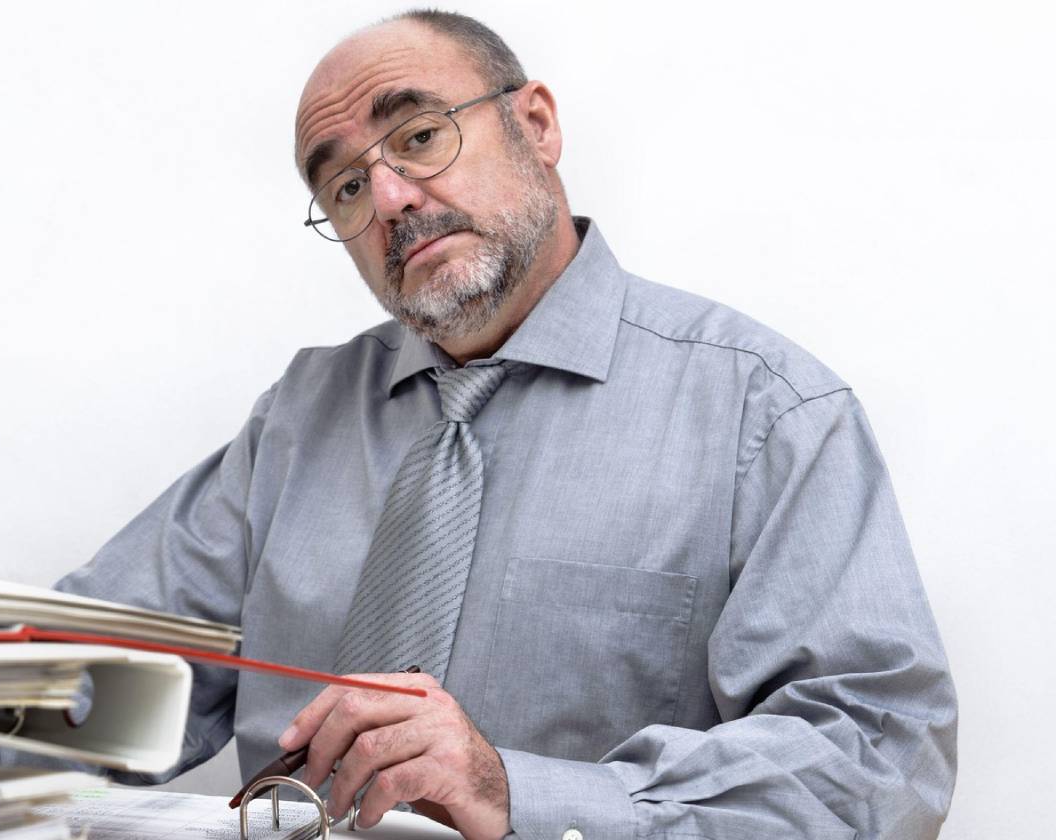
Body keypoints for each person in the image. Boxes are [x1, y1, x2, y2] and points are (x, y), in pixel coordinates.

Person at [52, 10, 957, 839]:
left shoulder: (766, 411)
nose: (391, 198)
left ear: (537, 125)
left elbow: (881, 762)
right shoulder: (298, 419)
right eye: (347, 186)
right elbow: (94, 682)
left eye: (419, 136)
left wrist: (514, 791)